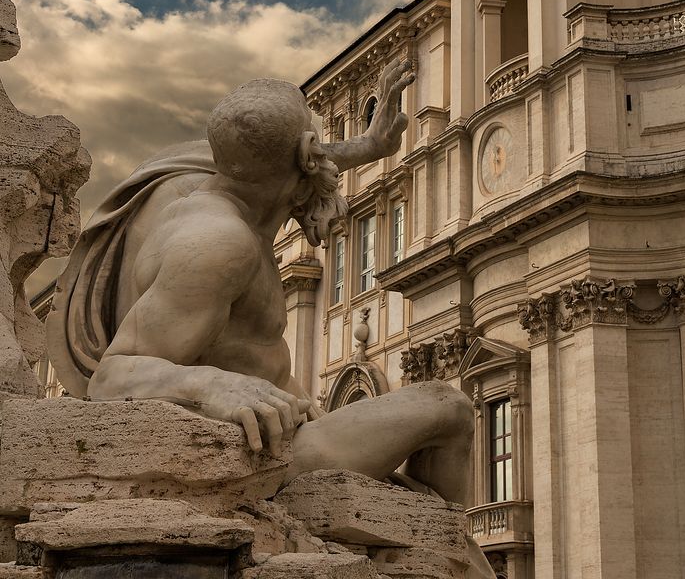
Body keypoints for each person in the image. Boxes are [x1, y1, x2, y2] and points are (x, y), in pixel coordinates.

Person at [46, 60, 485, 524]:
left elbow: (291, 158)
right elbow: (112, 376)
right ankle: (446, 548)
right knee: (448, 407)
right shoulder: (219, 244)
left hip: (279, 425)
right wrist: (214, 384)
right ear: (307, 152)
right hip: (259, 456)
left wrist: (369, 146)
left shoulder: (206, 176)